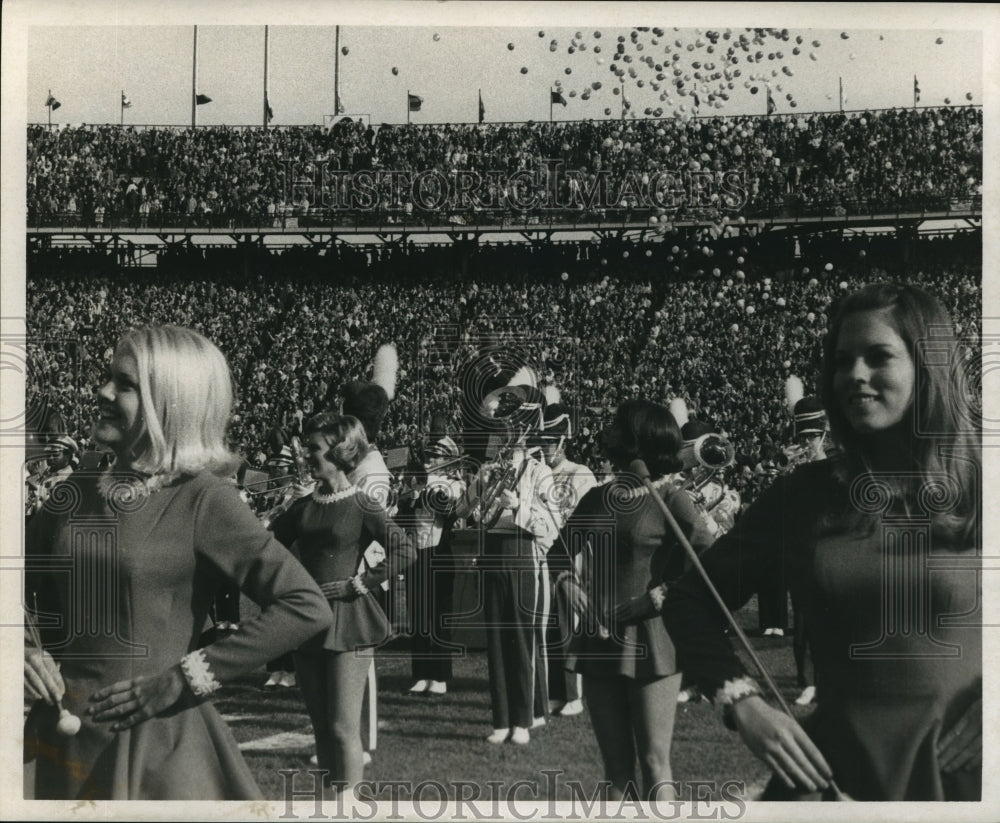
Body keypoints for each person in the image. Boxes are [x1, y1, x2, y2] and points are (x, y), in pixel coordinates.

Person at [662, 283, 981, 800]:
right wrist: (741, 701)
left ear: (929, 366)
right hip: (832, 782)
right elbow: (691, 598)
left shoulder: (983, 487)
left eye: (878, 357)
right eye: (841, 360)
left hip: (966, 782)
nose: (854, 374)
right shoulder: (802, 495)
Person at [23, 325, 333, 800]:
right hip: (51, 742)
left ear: (170, 402)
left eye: (125, 384)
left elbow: (305, 604)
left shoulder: (205, 499)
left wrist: (183, 679)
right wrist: (22, 651)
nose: (102, 392)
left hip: (148, 747)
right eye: (109, 377)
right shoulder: (77, 485)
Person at [564, 399, 714, 801]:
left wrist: (662, 595)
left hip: (653, 640)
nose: (607, 432)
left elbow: (713, 561)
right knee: (615, 774)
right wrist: (566, 582)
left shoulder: (671, 498)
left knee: (653, 763)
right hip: (599, 639)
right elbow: (558, 552)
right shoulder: (596, 498)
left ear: (638, 439)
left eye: (616, 426)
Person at [271, 413, 416, 798]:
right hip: (308, 621)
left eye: (314, 449)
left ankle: (347, 807)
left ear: (339, 453)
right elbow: (265, 547)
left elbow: (405, 549)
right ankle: (329, 803)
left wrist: (361, 582)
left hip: (349, 620)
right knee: (320, 726)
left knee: (341, 727)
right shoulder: (302, 507)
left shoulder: (362, 504)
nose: (307, 455)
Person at [458, 385, 559, 746]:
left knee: (521, 640)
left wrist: (519, 507)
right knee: (497, 642)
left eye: (507, 428)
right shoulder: (487, 468)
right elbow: (463, 513)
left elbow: (553, 525)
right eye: (498, 428)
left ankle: (523, 719)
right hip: (491, 553)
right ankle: (500, 718)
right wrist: (476, 488)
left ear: (522, 432)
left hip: (522, 554)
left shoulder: (538, 472)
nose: (500, 434)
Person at [537, 402, 596, 718]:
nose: (545, 448)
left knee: (570, 625)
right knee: (549, 626)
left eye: (550, 442)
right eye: (542, 442)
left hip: (572, 556)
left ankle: (575, 694)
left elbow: (585, 521)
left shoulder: (580, 473)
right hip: (544, 555)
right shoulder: (539, 472)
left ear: (562, 441)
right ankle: (556, 692)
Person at [400, 434, 467, 696]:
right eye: (429, 455)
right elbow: (402, 516)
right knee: (418, 616)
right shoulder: (416, 481)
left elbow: (451, 513)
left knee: (439, 617)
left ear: (448, 460)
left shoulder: (455, 483)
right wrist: (409, 494)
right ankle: (421, 673)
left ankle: (439, 676)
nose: (431, 460)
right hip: (416, 552)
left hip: (440, 553)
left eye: (437, 456)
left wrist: (427, 489)